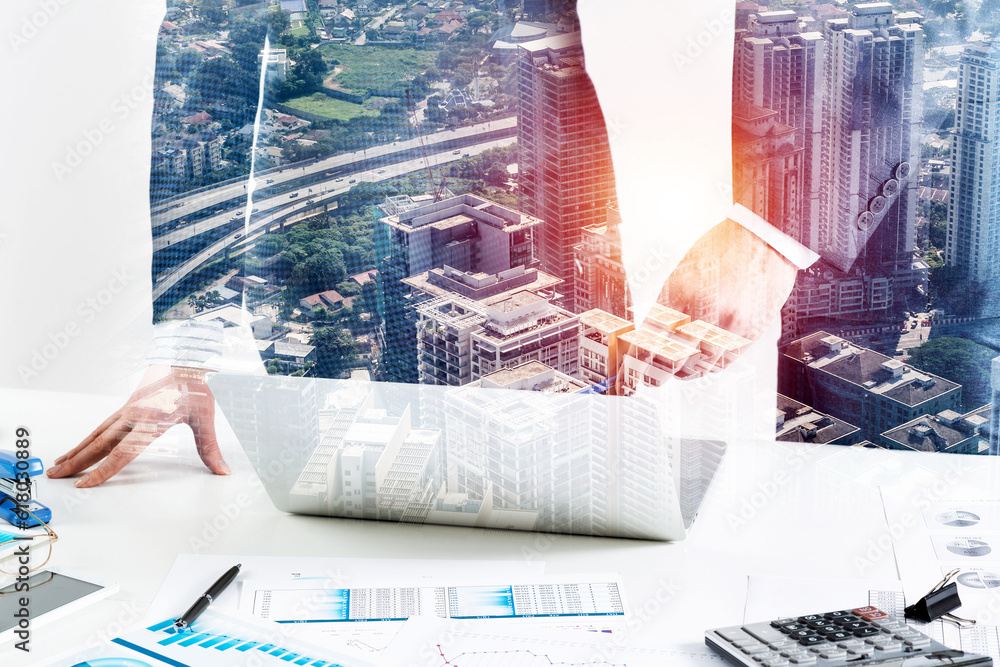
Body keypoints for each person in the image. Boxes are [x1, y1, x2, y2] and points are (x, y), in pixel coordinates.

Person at [49, 0, 809, 487]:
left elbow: (820, 27)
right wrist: (194, 345)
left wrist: (769, 231)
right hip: (438, 339)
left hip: (684, 233)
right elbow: (214, 29)